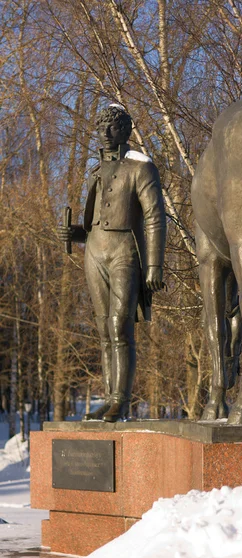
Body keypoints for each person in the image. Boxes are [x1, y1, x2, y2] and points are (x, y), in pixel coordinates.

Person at [58, 104, 166, 422]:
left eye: (112, 127)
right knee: (105, 328)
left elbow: (155, 217)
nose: (105, 133)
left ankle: (121, 398)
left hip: (125, 252)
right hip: (94, 252)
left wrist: (155, 265)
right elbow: (92, 223)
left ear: (126, 129)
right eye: (101, 127)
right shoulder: (95, 172)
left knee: (120, 325)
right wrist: (72, 233)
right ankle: (108, 397)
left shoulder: (141, 168)